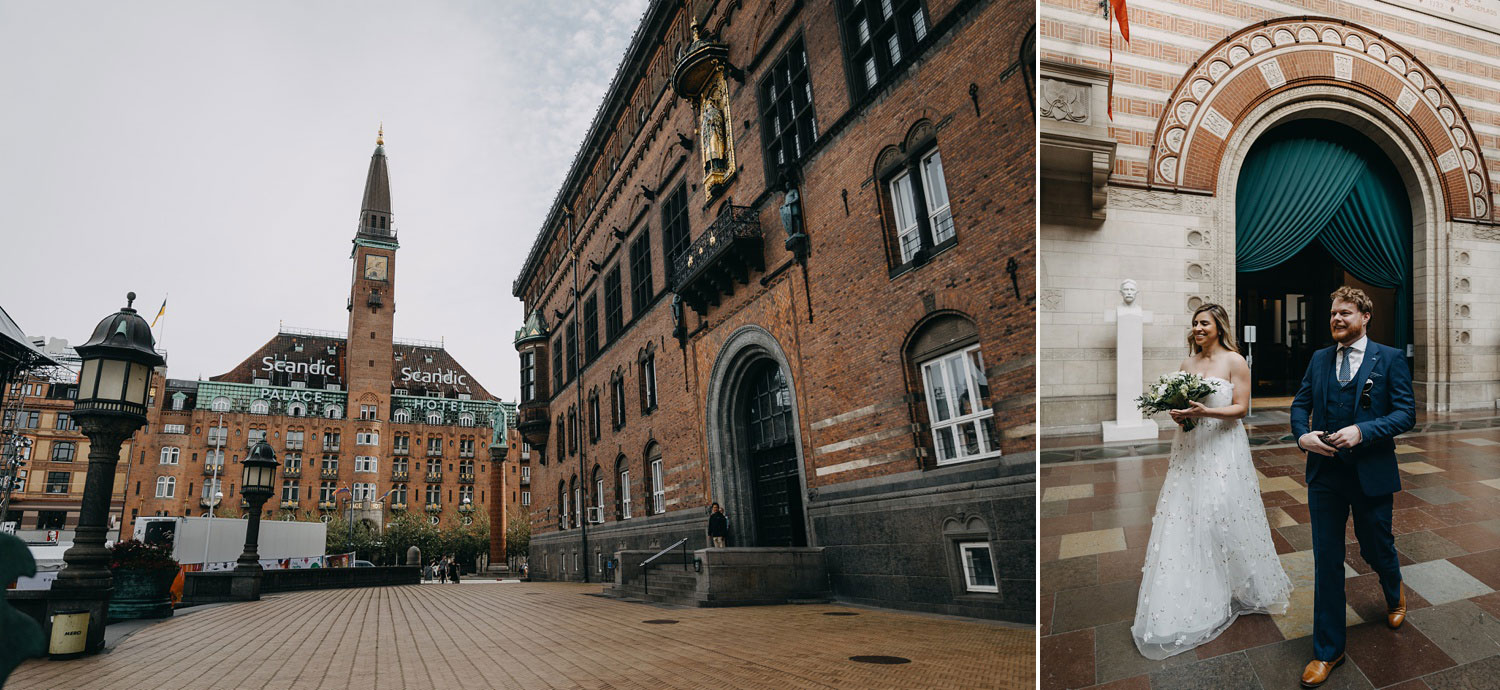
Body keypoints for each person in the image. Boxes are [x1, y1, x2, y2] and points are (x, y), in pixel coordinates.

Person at [1131, 303, 1292, 660]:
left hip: (1223, 447)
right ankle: (1197, 585)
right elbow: (1183, 406)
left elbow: (1240, 408)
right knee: (1186, 514)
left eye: (1204, 322)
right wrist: (1181, 415)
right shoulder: (1187, 364)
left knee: (1221, 512)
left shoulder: (1235, 361)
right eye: (1194, 323)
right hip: (1190, 448)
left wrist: (1207, 412)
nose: (1198, 328)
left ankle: (1235, 577)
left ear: (1219, 325)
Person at [1292, 287, 1413, 688]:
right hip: (1324, 475)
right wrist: (1301, 436)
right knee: (1327, 560)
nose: (1336, 319)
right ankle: (1328, 651)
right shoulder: (1320, 358)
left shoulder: (1390, 359)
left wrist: (1363, 430)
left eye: (1345, 313)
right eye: (1332, 314)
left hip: (1370, 473)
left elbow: (1404, 414)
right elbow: (1299, 404)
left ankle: (1393, 591)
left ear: (1365, 317)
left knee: (1375, 545)